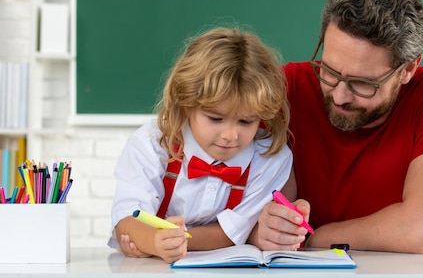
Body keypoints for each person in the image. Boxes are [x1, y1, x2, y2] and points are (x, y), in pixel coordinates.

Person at [248, 0, 423, 254]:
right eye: (329, 70)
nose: (340, 96)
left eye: (363, 83)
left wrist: (316, 238)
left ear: (408, 69)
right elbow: (222, 200)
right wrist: (260, 231)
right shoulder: (287, 87)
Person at [108, 27, 293, 263]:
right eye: (215, 118)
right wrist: (153, 241)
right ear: (186, 103)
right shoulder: (151, 144)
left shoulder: (269, 158)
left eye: (246, 121)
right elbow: (126, 220)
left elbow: (231, 233)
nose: (230, 135)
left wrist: (168, 241)